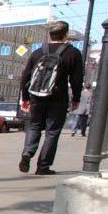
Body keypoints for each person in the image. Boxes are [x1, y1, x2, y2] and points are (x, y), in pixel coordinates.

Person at [18, 20, 84, 175]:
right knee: (52, 132)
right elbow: (77, 79)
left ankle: (28, 152)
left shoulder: (38, 52)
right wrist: (76, 98)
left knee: (34, 126)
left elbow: (25, 76)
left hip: (36, 96)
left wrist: (25, 97)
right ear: (66, 34)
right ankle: (43, 166)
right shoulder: (72, 53)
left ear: (50, 34)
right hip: (58, 98)